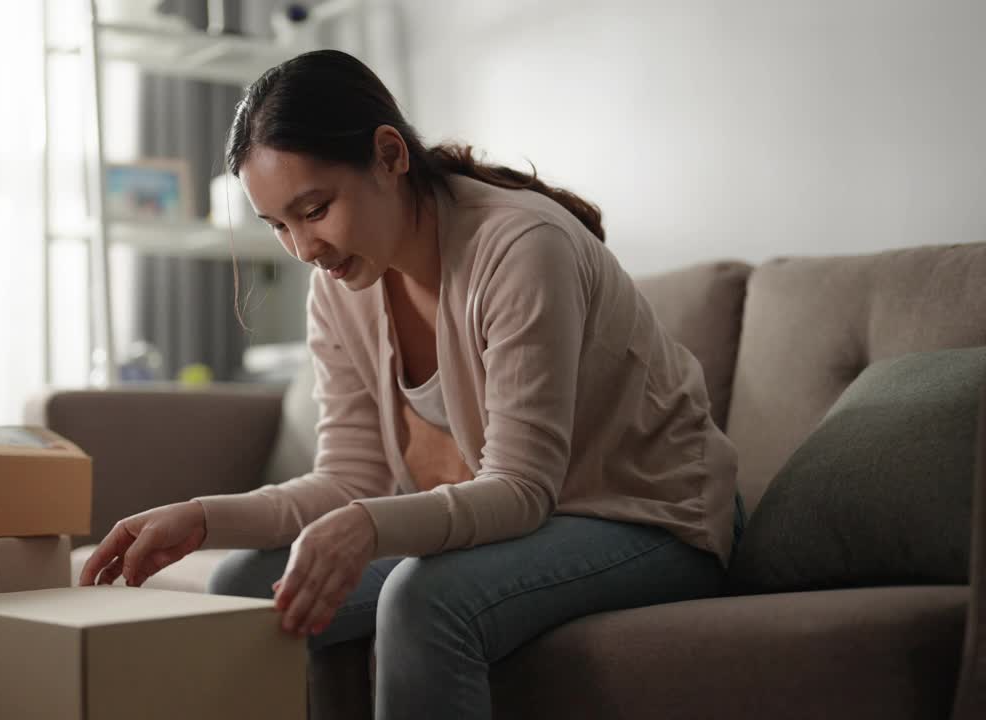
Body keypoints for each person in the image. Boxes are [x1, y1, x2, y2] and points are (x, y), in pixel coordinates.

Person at [80, 49, 744, 718]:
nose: (304, 249)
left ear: (391, 156)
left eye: (314, 209)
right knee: (245, 586)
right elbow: (348, 479)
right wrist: (201, 518)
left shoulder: (520, 248)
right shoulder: (341, 288)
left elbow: (521, 489)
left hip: (652, 519)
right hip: (536, 525)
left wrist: (367, 527)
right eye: (280, 225)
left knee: (424, 598)